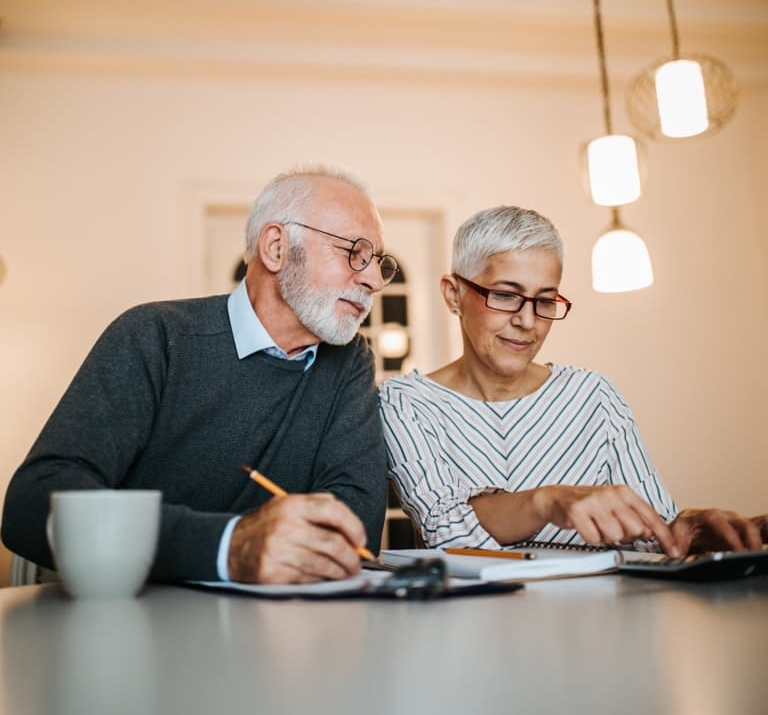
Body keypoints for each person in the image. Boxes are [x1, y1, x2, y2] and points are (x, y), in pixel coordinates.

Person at [2, 164, 399, 584]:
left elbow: (353, 529)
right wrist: (229, 546)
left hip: (276, 635)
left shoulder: (349, 360)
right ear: (276, 248)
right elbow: (32, 505)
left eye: (378, 262)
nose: (374, 280)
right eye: (354, 251)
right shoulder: (155, 336)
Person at [380, 205, 767, 556]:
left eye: (545, 301)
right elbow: (447, 532)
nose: (527, 322)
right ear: (454, 294)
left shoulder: (593, 395)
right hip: (473, 625)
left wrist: (688, 532)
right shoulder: (405, 402)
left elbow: (651, 536)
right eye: (505, 295)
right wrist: (547, 502)